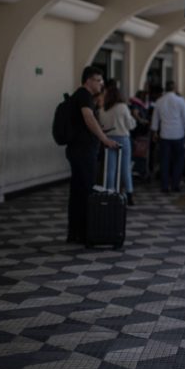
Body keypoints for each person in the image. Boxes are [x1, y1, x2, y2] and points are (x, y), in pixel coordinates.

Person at [66, 66, 120, 244]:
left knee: (78, 191)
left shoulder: (80, 96)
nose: (102, 83)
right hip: (83, 152)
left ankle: (75, 232)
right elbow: (88, 117)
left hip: (79, 150)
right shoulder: (84, 96)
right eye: (99, 80)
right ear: (88, 80)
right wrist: (104, 139)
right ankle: (83, 232)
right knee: (85, 191)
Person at [98, 80, 137, 205]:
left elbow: (101, 125)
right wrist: (134, 119)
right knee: (125, 168)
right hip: (123, 139)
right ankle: (129, 194)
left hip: (108, 139)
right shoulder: (122, 107)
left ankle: (110, 192)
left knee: (110, 168)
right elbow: (130, 125)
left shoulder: (102, 109)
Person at [151, 80, 185, 193]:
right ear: (174, 88)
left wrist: (154, 132)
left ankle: (164, 185)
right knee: (178, 160)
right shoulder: (180, 101)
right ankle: (175, 184)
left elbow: (155, 118)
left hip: (165, 134)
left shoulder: (159, 101)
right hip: (178, 134)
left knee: (164, 161)